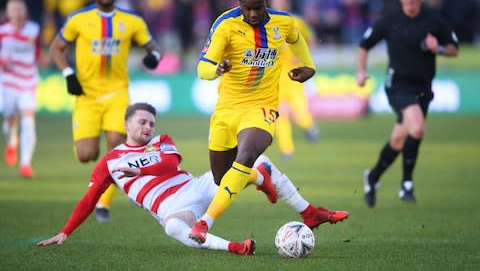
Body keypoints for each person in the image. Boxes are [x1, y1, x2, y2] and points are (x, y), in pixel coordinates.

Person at [37, 102, 348, 255]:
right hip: (174, 208)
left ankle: (274, 186)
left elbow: (169, 163)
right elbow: (90, 197)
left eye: (151, 123)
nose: (148, 127)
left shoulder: (162, 142)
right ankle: (236, 247)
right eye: (142, 122)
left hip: (196, 187)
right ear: (126, 124)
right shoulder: (109, 161)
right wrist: (65, 231)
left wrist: (141, 169)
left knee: (256, 157)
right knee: (173, 227)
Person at [191, 0, 347, 244]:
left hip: (261, 106)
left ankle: (204, 223)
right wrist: (217, 69)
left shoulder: (283, 22)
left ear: (267, 3)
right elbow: (202, 67)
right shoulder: (225, 25)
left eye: (258, 8)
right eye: (247, 8)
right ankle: (275, 188)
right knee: (222, 179)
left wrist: (309, 65)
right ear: (238, 3)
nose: (252, 14)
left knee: (248, 153)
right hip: (226, 110)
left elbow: (296, 39)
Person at [49, 0, 162, 222]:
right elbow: (56, 47)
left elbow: (154, 47)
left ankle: (104, 203)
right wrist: (68, 73)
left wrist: (152, 57)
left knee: (116, 146)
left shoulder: (131, 20)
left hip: (117, 93)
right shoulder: (79, 19)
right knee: (86, 155)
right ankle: (88, 150)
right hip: (87, 95)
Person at [356, 0, 459, 208]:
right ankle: (407, 185)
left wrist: (439, 48)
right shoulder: (389, 20)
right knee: (418, 128)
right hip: (398, 86)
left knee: (399, 140)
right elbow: (364, 45)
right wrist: (361, 72)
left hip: (423, 88)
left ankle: (372, 178)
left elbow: (455, 49)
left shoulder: (434, 21)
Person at [0, 0, 48, 178]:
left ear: (25, 11)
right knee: (10, 119)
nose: (18, 13)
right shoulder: (2, 31)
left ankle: (25, 164)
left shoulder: (34, 30)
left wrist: (41, 58)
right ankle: (12, 142)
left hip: (28, 81)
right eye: (14, 10)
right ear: (8, 13)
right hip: (8, 82)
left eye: (20, 9)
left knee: (28, 120)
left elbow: (37, 51)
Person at [270, 0, 320, 161]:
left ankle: (309, 126)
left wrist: (303, 58)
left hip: (295, 76)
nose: (279, 4)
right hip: (275, 78)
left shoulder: (297, 22)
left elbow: (311, 40)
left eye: (281, 1)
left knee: (299, 111)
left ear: (287, 3)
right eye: (276, 2)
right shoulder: (267, 24)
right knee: (280, 114)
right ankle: (287, 150)